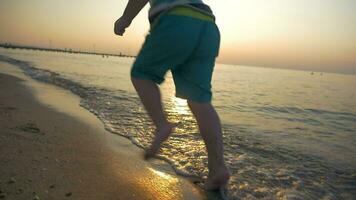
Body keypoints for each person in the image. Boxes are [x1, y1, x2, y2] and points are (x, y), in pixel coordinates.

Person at [114, 0, 230, 190]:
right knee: (200, 101)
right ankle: (218, 168)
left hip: (176, 19)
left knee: (142, 75)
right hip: (208, 25)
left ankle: (162, 125)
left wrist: (125, 19)